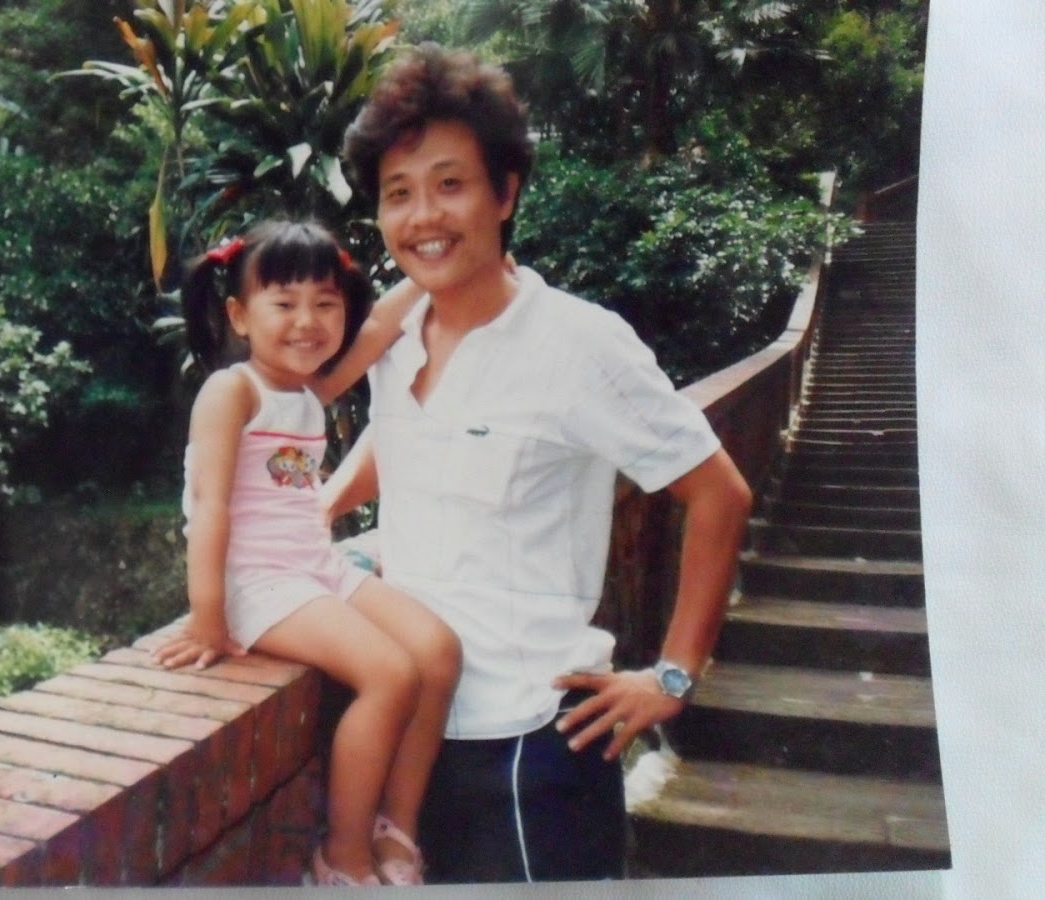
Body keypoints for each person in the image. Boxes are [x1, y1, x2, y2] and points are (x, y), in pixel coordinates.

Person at [322, 45, 755, 882]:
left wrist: (671, 677)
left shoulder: (578, 344)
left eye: (450, 184)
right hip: (411, 746)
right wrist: (325, 508)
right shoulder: (394, 338)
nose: (423, 216)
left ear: (506, 193)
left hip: (529, 753)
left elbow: (718, 493)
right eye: (399, 194)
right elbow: (404, 433)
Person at [151, 219, 461, 886]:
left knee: (437, 652)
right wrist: (207, 616)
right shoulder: (233, 391)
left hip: (314, 568)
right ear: (239, 315)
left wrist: (433, 271)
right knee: (389, 674)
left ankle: (396, 829)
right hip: (257, 583)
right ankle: (342, 856)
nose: (307, 321)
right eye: (284, 303)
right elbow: (209, 506)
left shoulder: (307, 391)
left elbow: (379, 328)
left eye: (325, 303)